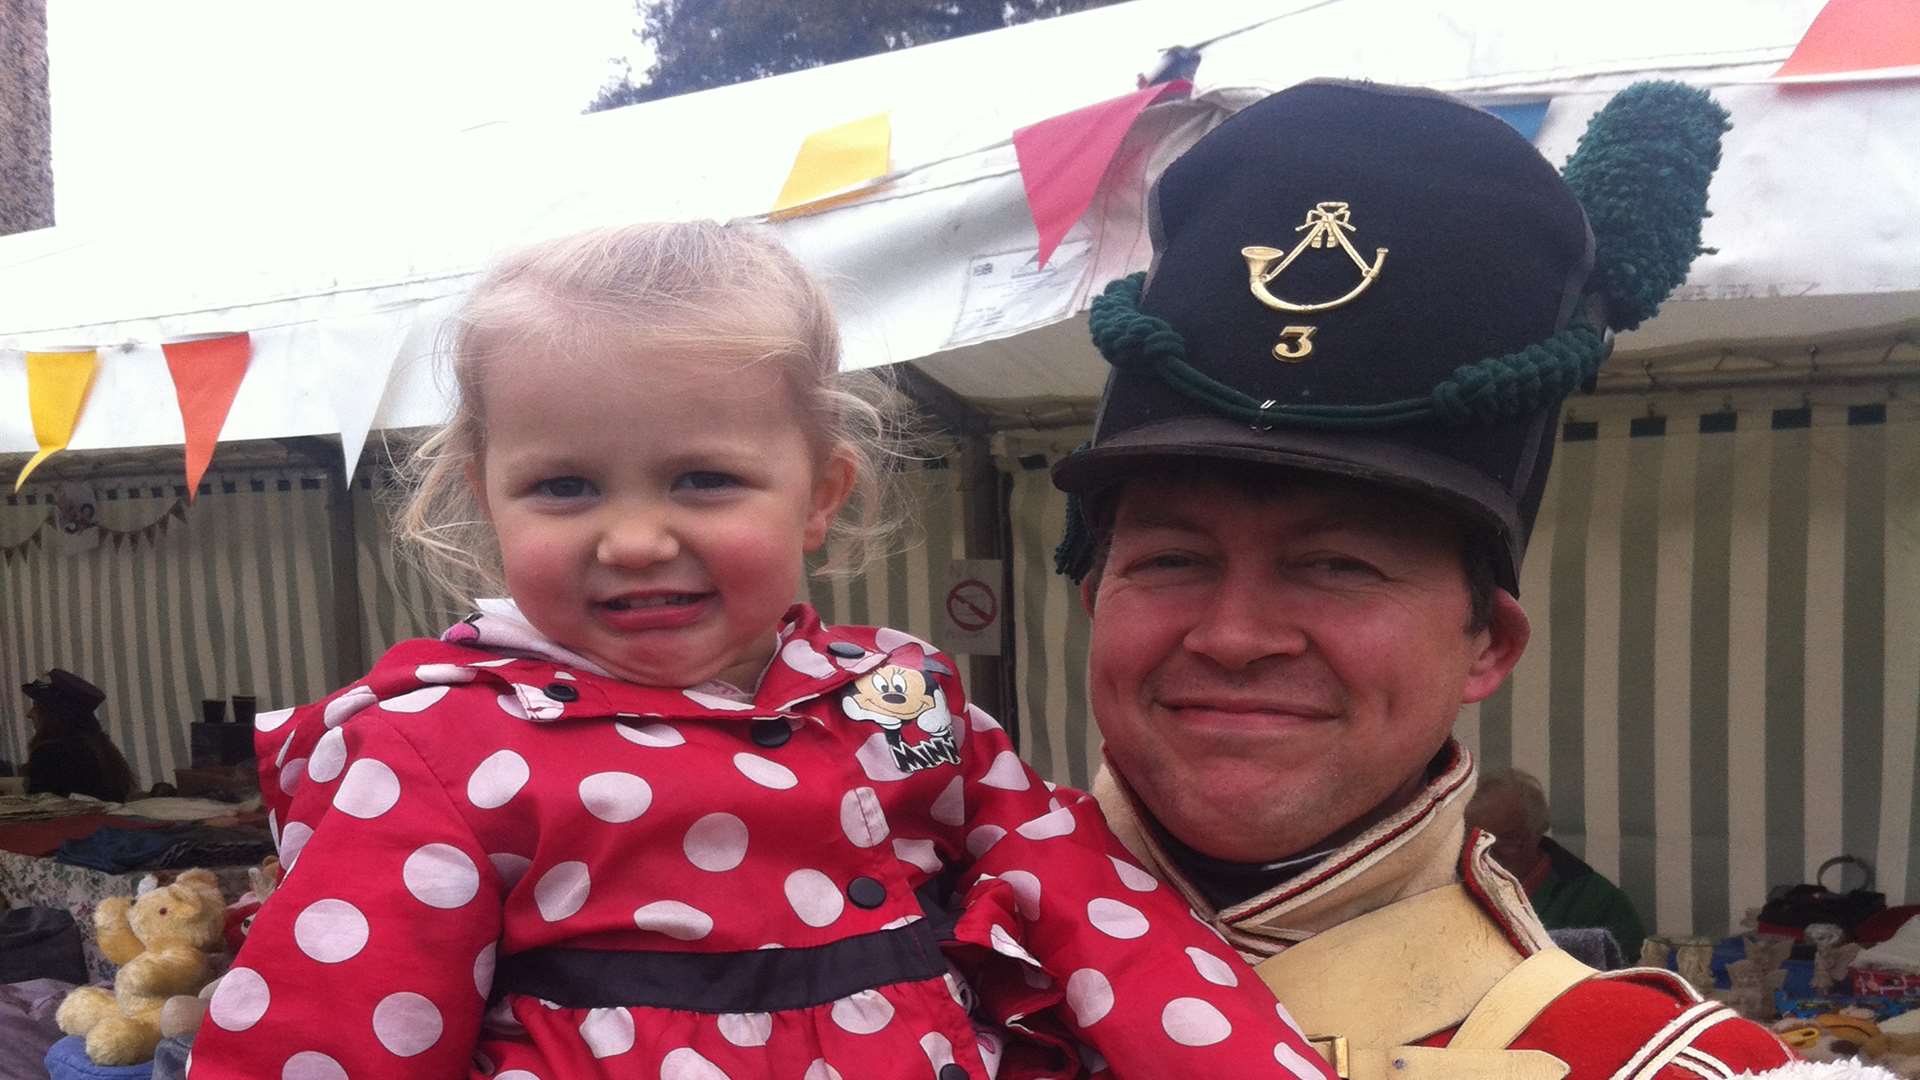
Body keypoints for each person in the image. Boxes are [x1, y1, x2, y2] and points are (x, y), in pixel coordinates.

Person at [191, 223, 1331, 1079]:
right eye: (564, 487)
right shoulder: (441, 747)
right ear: (490, 505)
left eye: (704, 478)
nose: (634, 538)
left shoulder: (895, 695)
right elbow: (323, 1040)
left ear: (820, 495)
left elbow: (1069, 877)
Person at [1050, 80, 1842, 1077]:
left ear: (1489, 646)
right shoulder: (865, 965)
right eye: (1170, 560)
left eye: (1337, 567)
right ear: (1093, 600)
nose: (1234, 635)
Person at [1468, 767, 1646, 960]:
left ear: (1538, 831)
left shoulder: (1599, 903)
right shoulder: (1451, 888)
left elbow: (1631, 978)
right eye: (1476, 841)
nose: (1487, 855)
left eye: (1509, 839)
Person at [21, 668, 135, 802]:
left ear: (53, 713)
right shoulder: (101, 748)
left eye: (36, 706)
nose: (29, 714)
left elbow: (40, 809)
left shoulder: (50, 753)